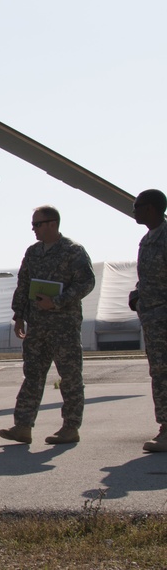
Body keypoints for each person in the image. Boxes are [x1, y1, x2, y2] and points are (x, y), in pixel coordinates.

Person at [0, 206, 94, 445]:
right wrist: (18, 315)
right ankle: (23, 426)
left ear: (53, 224)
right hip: (37, 326)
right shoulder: (33, 253)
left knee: (70, 377)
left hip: (64, 326)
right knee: (32, 376)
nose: (34, 230)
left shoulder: (73, 251)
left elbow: (86, 283)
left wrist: (57, 302)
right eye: (33, 225)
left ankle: (70, 427)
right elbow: (23, 285)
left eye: (37, 225)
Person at [130, 189, 167, 452]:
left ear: (152, 209)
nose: (134, 211)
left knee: (164, 375)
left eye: (138, 206)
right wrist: (138, 295)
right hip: (153, 320)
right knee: (160, 374)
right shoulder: (148, 240)